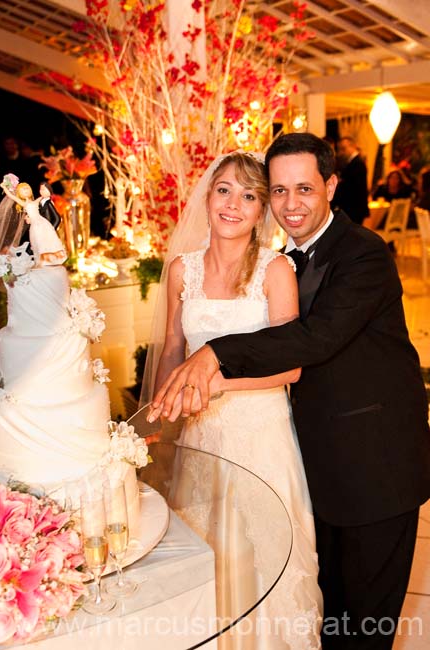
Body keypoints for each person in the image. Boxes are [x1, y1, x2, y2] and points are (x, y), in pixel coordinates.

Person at [151, 133, 430, 650]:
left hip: (375, 462)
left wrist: (214, 354)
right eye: (278, 191)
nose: (291, 204)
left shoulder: (363, 253)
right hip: (312, 458)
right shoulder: (286, 258)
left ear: (331, 185)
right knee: (321, 606)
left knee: (365, 620)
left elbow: (313, 339)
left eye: (304, 188)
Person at [146, 151, 323, 648]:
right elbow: (175, 349)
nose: (233, 204)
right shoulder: (182, 270)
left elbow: (290, 367)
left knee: (267, 561)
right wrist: (164, 405)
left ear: (262, 209)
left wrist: (213, 385)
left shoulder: (275, 270)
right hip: (202, 441)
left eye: (249, 196)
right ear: (208, 195)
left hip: (261, 438)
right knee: (209, 557)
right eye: (224, 190)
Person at [0, 181, 66, 266]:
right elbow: (11, 196)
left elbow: (44, 196)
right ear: (20, 193)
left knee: (48, 242)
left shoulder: (36, 201)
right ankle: (39, 260)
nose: (26, 190)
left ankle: (50, 260)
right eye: (23, 190)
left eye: (27, 188)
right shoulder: (24, 203)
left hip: (43, 222)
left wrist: (46, 191)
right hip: (35, 224)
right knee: (38, 242)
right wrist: (4, 188)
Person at [332, 135, 369, 225]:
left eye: (343, 148)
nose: (341, 152)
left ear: (351, 146)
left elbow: (352, 188)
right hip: (355, 208)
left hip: (354, 208)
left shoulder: (357, 163)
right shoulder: (355, 162)